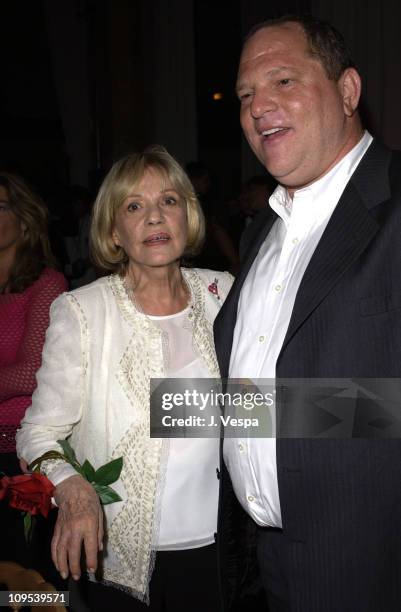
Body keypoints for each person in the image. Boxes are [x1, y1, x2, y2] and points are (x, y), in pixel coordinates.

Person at [214, 14, 401, 612]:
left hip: (373, 568)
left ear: (348, 91)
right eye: (245, 95)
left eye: (284, 82)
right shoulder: (261, 230)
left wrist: (177, 408)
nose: (257, 107)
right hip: (263, 564)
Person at [16, 146, 233, 611]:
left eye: (169, 201)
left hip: (223, 550)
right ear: (114, 232)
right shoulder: (83, 311)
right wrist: (72, 490)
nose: (155, 217)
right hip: (121, 556)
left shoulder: (225, 293)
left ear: (189, 215)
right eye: (134, 206)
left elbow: (254, 412)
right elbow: (37, 433)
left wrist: (367, 413)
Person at [0, 172, 67, 567]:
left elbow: (34, 371)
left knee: (31, 575)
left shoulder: (46, 283)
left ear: (24, 218)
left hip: (22, 455)